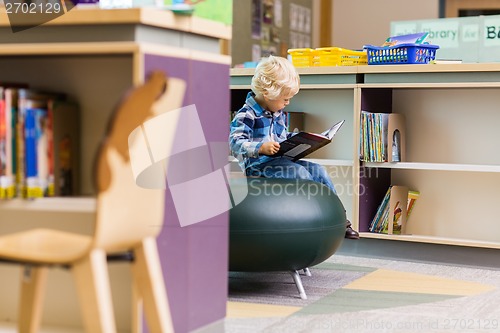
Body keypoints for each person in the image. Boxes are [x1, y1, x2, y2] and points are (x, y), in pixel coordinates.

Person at [229, 55, 359, 239]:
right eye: (285, 99)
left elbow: (281, 137)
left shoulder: (277, 111)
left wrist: (301, 139)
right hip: (258, 167)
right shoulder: (246, 115)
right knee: (300, 174)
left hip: (280, 161)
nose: (287, 103)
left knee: (318, 171)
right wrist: (260, 147)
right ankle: (311, 218)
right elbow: (235, 142)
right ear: (268, 94)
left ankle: (339, 218)